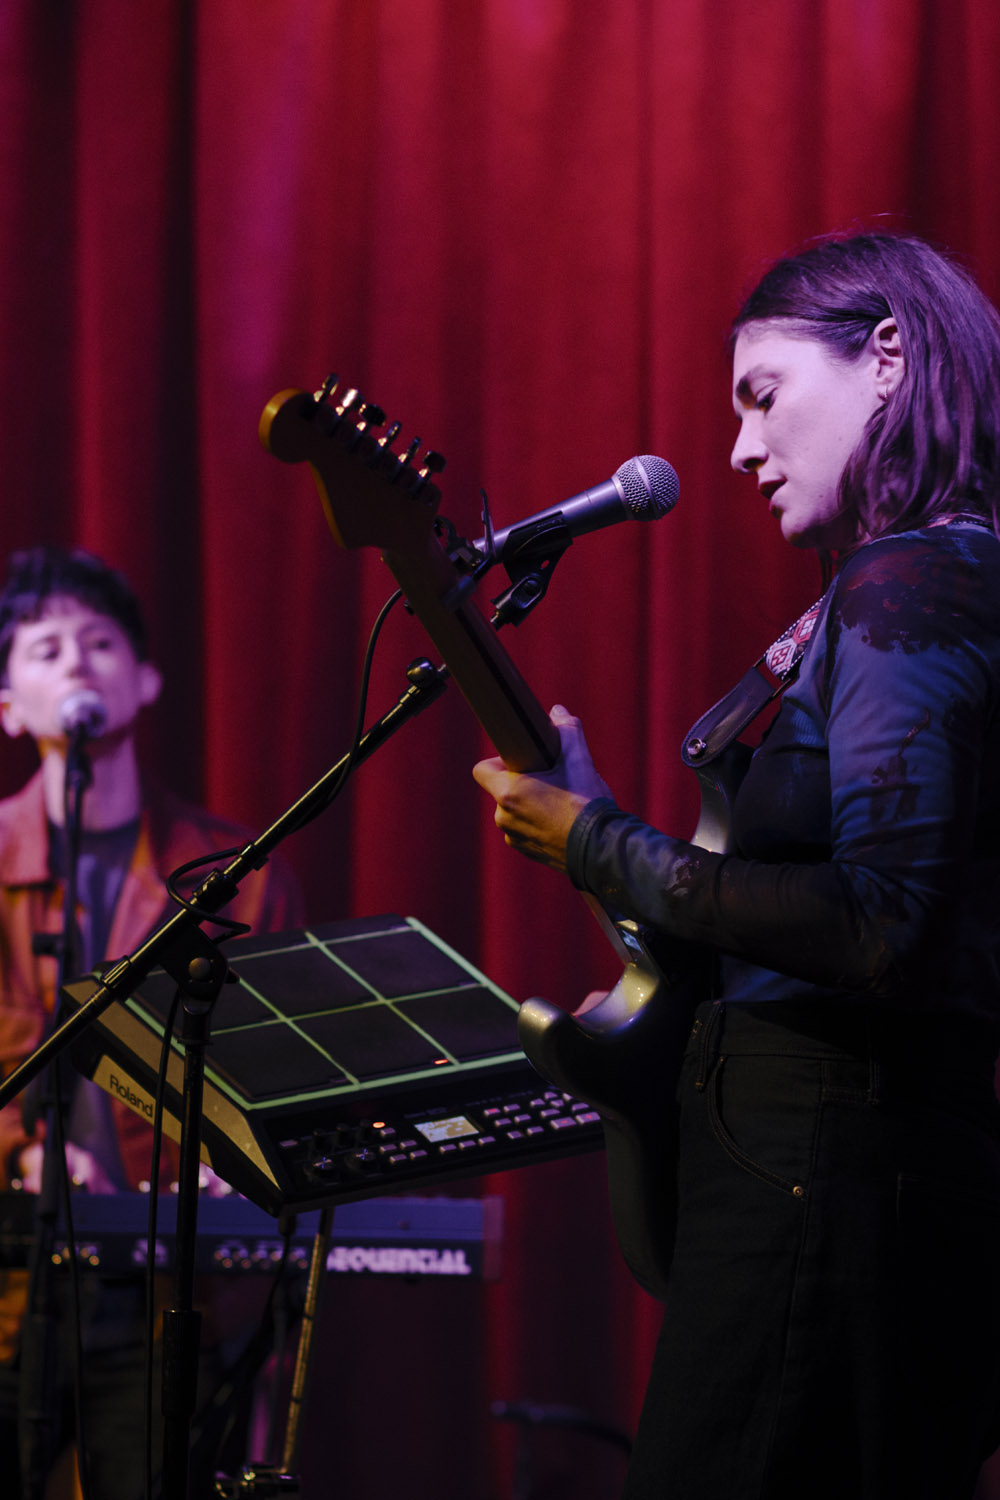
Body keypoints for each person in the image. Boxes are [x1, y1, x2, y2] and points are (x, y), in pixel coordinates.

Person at [473, 231, 1000, 1499]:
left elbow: (880, 923)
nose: (737, 450)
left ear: (886, 357)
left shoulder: (910, 582)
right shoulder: (923, 581)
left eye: (763, 396)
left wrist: (600, 842)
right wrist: (606, 836)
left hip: (828, 1180)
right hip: (848, 1175)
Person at [0, 546, 303, 1497]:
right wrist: (24, 1149)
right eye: (46, 649)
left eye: (99, 643)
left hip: (166, 1287)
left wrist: (229, 1156)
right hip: (10, 1274)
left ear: (146, 679)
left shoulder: (229, 870)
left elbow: (277, 1059)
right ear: (7, 705)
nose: (77, 663)